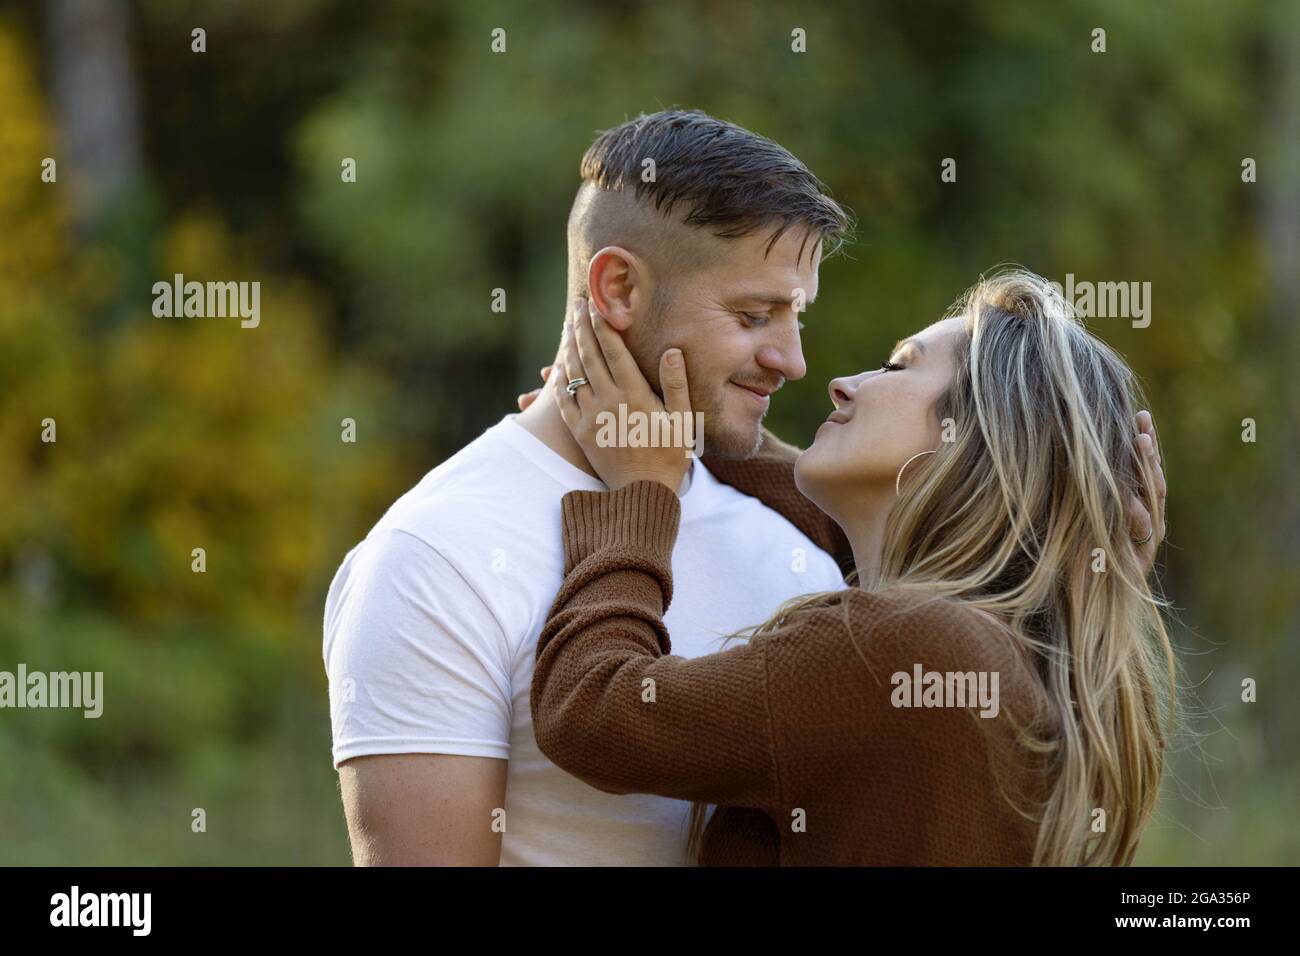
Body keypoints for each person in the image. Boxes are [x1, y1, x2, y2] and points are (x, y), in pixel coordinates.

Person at [531, 269, 1171, 865]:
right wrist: (701, 428)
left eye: (897, 367)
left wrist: (640, 491)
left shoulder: (898, 647)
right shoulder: (1034, 671)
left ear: (978, 441)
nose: (843, 383)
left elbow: (591, 713)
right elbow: (859, 547)